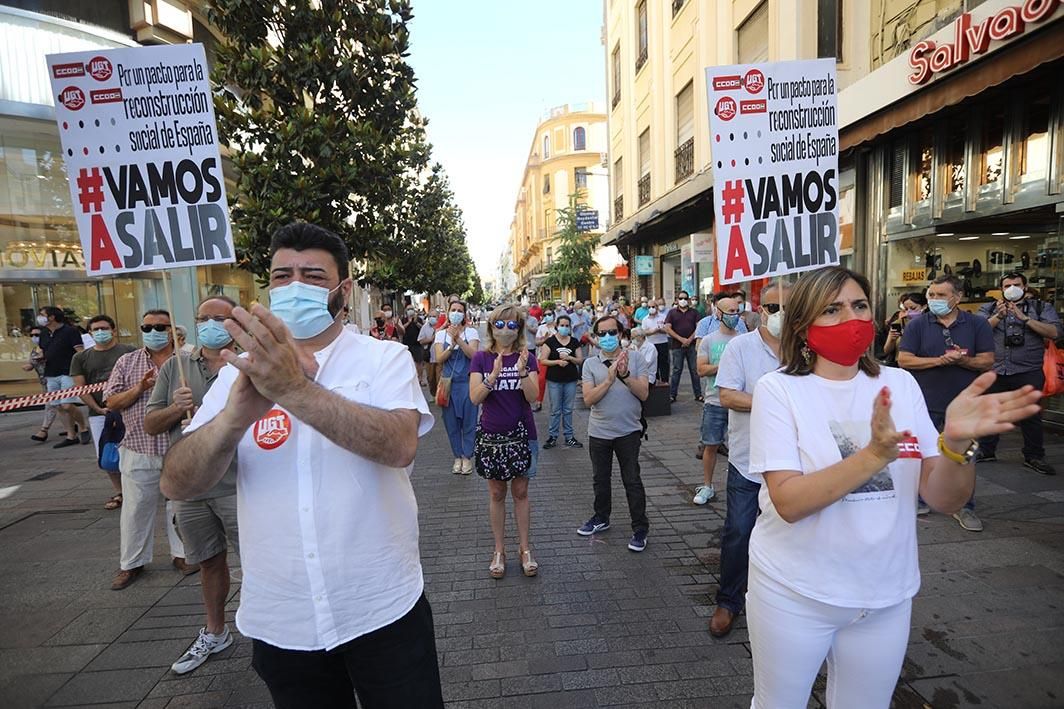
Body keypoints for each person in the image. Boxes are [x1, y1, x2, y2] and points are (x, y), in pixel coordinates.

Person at [160, 223, 442, 708]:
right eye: (282, 275)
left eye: (312, 276)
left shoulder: (383, 358)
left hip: (381, 606)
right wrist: (233, 418)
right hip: (282, 618)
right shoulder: (236, 374)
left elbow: (400, 445)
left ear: (342, 289)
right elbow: (178, 481)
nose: (295, 287)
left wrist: (294, 390)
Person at [745, 266, 1040, 708]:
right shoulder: (779, 390)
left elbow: (944, 497)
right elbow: (788, 501)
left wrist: (957, 444)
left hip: (886, 594)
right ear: (804, 325)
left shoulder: (899, 384)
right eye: (832, 308)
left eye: (859, 305)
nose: (851, 317)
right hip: (795, 592)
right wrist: (871, 457)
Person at [144, 295, 241, 675]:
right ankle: (216, 631)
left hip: (240, 483)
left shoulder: (247, 365)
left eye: (220, 318)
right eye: (205, 318)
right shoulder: (176, 367)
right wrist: (174, 407)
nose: (211, 324)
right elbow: (151, 424)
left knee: (259, 559)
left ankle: (272, 634)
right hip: (191, 490)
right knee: (208, 561)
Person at [708, 283, 788, 637]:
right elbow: (727, 395)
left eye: (787, 306)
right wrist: (773, 401)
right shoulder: (740, 347)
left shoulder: (806, 348)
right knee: (739, 531)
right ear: (759, 308)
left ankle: (782, 600)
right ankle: (729, 600)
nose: (779, 314)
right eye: (772, 307)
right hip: (749, 459)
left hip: (794, 462)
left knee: (791, 534)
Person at [104, 309, 192, 590]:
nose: (153, 331)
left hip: (179, 447)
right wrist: (139, 388)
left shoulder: (187, 361)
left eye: (160, 326)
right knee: (135, 509)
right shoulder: (127, 362)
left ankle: (183, 555)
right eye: (147, 327)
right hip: (139, 448)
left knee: (180, 506)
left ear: (171, 329)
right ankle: (131, 563)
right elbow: (112, 402)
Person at [898, 275, 994, 531]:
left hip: (964, 404)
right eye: (931, 295)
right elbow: (905, 360)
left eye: (941, 295)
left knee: (965, 456)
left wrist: (962, 361)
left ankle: (964, 506)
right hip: (926, 401)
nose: (934, 300)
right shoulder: (918, 325)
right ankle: (921, 498)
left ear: (957, 297)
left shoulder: (977, 324)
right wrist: (939, 361)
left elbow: (986, 360)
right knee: (922, 452)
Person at [469, 306, 540, 579]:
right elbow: (475, 397)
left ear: (519, 329)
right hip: (491, 437)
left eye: (513, 325)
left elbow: (533, 397)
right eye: (500, 324)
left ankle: (525, 549)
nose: (506, 330)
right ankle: (499, 550)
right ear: (491, 327)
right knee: (497, 493)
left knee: (521, 492)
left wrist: (521, 372)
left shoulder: (528, 358)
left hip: (523, 435)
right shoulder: (481, 358)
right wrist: (494, 374)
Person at [577, 314, 651, 551]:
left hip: (628, 431)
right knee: (601, 479)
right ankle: (601, 517)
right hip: (599, 432)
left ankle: (640, 528)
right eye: (602, 334)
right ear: (596, 338)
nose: (608, 337)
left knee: (632, 480)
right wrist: (609, 380)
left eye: (612, 333)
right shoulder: (590, 364)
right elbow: (589, 399)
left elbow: (644, 394)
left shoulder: (636, 358)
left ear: (621, 334)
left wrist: (625, 375)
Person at [976, 273, 1062, 475]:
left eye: (1016, 285)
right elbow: (978, 332)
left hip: (1028, 369)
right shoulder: (989, 308)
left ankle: (1034, 456)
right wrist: (999, 316)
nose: (1012, 288)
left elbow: (1055, 332)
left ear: (1025, 287)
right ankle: (986, 450)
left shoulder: (1041, 308)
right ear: (1001, 288)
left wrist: (1026, 319)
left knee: (1031, 415)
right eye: (1007, 285)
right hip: (995, 369)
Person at [70, 315, 137, 510]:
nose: (100, 332)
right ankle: (120, 491)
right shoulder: (81, 357)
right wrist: (98, 408)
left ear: (113, 330)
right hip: (100, 413)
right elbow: (80, 388)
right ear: (90, 333)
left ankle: (134, 488)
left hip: (129, 409)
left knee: (133, 450)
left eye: (104, 328)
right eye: (95, 329)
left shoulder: (129, 352)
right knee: (107, 455)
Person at [693, 296, 742, 506]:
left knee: (739, 447)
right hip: (714, 401)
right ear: (719, 314)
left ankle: (737, 486)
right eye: (730, 311)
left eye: (736, 310)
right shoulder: (709, 340)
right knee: (710, 445)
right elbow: (701, 369)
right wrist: (725, 364)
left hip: (739, 402)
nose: (734, 315)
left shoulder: (743, 339)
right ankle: (707, 485)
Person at [435, 301, 480, 475]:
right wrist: (452, 344)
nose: (456, 313)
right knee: (451, 423)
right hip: (448, 385)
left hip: (469, 383)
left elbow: (474, 355)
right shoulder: (440, 335)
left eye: (459, 311)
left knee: (469, 422)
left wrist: (459, 339)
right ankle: (457, 457)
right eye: (453, 310)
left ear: (464, 314)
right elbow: (439, 358)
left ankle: (467, 457)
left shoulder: (472, 332)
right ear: (447, 313)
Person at [37, 306, 90, 448]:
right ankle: (71, 435)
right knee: (58, 405)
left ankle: (83, 427)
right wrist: (38, 359)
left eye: (42, 315)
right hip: (51, 373)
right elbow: (43, 351)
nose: (40, 318)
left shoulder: (70, 331)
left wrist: (81, 370)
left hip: (68, 372)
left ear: (52, 317)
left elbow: (80, 352)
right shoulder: (44, 333)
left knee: (67, 404)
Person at [540, 314, 583, 449]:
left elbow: (580, 360)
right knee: (555, 409)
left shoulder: (574, 341)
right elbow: (543, 360)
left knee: (568, 409)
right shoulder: (550, 342)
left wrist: (569, 358)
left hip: (570, 379)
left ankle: (569, 436)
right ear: (557, 326)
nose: (564, 328)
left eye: (567, 326)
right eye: (562, 325)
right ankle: (553, 436)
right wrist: (557, 361)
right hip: (554, 380)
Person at [664, 290, 702, 402]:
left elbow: (699, 327)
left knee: (695, 370)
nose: (683, 300)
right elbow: (667, 328)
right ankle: (672, 395)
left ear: (689, 300)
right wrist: (681, 339)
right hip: (677, 345)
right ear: (677, 300)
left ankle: (698, 394)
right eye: (680, 298)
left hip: (692, 345)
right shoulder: (672, 313)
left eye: (685, 298)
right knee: (676, 370)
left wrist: (689, 339)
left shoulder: (694, 312)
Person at [23, 326, 59, 444]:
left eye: (37, 335)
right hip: (44, 383)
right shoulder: (34, 350)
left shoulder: (51, 348)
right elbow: (31, 364)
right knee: (64, 407)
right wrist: (28, 366)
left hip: (55, 380)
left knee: (51, 405)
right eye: (32, 335)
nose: (34, 337)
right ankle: (77, 425)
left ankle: (44, 430)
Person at [880, 292, 927, 366]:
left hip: (924, 365)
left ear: (924, 306)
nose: (909, 312)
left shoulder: (930, 323)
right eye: (906, 309)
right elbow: (886, 350)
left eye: (913, 308)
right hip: (901, 366)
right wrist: (892, 339)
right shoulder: (899, 322)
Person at [642, 299, 670, 384]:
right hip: (651, 344)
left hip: (662, 343)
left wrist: (661, 330)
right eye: (649, 307)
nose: (651, 308)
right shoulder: (645, 319)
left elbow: (668, 329)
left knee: (664, 363)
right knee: (653, 364)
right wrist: (652, 331)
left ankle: (665, 381)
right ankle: (655, 381)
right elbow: (644, 332)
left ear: (657, 307)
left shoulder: (663, 317)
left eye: (653, 307)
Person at [534, 308, 556, 410]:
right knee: (541, 380)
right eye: (545, 314)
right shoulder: (541, 328)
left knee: (555, 381)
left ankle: (556, 403)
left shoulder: (559, 327)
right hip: (542, 357)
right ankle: (539, 402)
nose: (548, 316)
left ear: (554, 315)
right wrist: (545, 339)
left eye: (550, 314)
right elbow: (537, 343)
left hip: (556, 358)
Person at [401, 306, 426, 385]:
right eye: (408, 309)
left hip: (417, 344)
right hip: (406, 343)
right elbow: (401, 329)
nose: (410, 311)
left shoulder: (418, 319)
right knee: (407, 362)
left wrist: (416, 322)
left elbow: (423, 328)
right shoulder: (403, 320)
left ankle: (420, 378)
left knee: (419, 362)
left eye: (411, 309)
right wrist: (408, 322)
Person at [417, 313, 439, 389]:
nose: (432, 318)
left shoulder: (442, 327)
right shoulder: (425, 327)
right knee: (430, 378)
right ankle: (433, 393)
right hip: (429, 356)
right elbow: (420, 340)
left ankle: (439, 396)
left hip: (440, 357)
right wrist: (430, 339)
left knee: (439, 377)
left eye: (434, 316)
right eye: (430, 316)